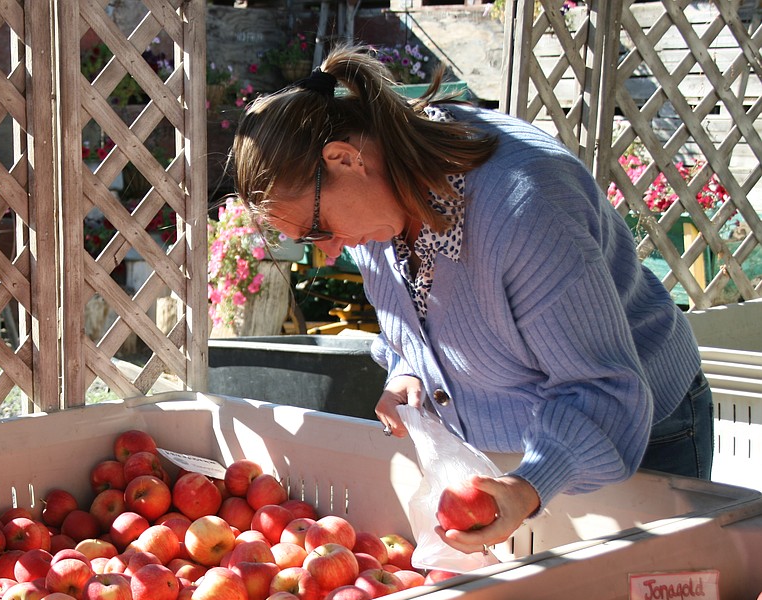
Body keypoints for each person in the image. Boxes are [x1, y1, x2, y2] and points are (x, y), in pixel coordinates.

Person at [229, 43, 713, 553]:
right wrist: (408, 370)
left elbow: (603, 390)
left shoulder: (524, 208)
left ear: (345, 159)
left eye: (316, 228)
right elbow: (420, 323)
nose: (325, 253)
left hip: (644, 431)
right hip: (512, 460)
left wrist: (526, 487)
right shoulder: (375, 208)